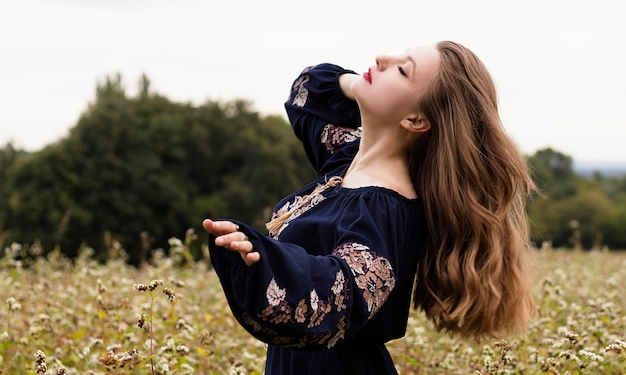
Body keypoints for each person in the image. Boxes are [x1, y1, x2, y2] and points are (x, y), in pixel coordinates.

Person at [203, 41, 537, 375]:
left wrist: (261, 256)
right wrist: (357, 84)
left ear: (417, 120)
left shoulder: (384, 207)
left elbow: (337, 293)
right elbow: (308, 90)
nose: (381, 58)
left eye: (403, 70)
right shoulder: (347, 158)